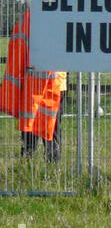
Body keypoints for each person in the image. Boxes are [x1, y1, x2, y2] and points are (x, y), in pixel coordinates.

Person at [1, 9, 66, 161]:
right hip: (52, 83)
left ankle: (30, 162)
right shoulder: (60, 15)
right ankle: (47, 163)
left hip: (37, 83)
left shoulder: (28, 18)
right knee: (50, 126)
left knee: (38, 126)